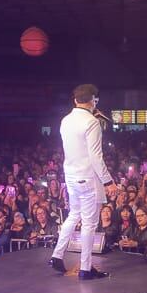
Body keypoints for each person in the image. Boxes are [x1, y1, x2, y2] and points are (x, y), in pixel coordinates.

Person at [49, 84, 117, 280]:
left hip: (70, 175)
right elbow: (96, 157)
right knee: (88, 224)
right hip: (87, 177)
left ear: (75, 100)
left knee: (73, 215)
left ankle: (57, 255)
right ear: (93, 100)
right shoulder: (92, 122)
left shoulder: (65, 120)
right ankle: (86, 269)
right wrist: (108, 181)